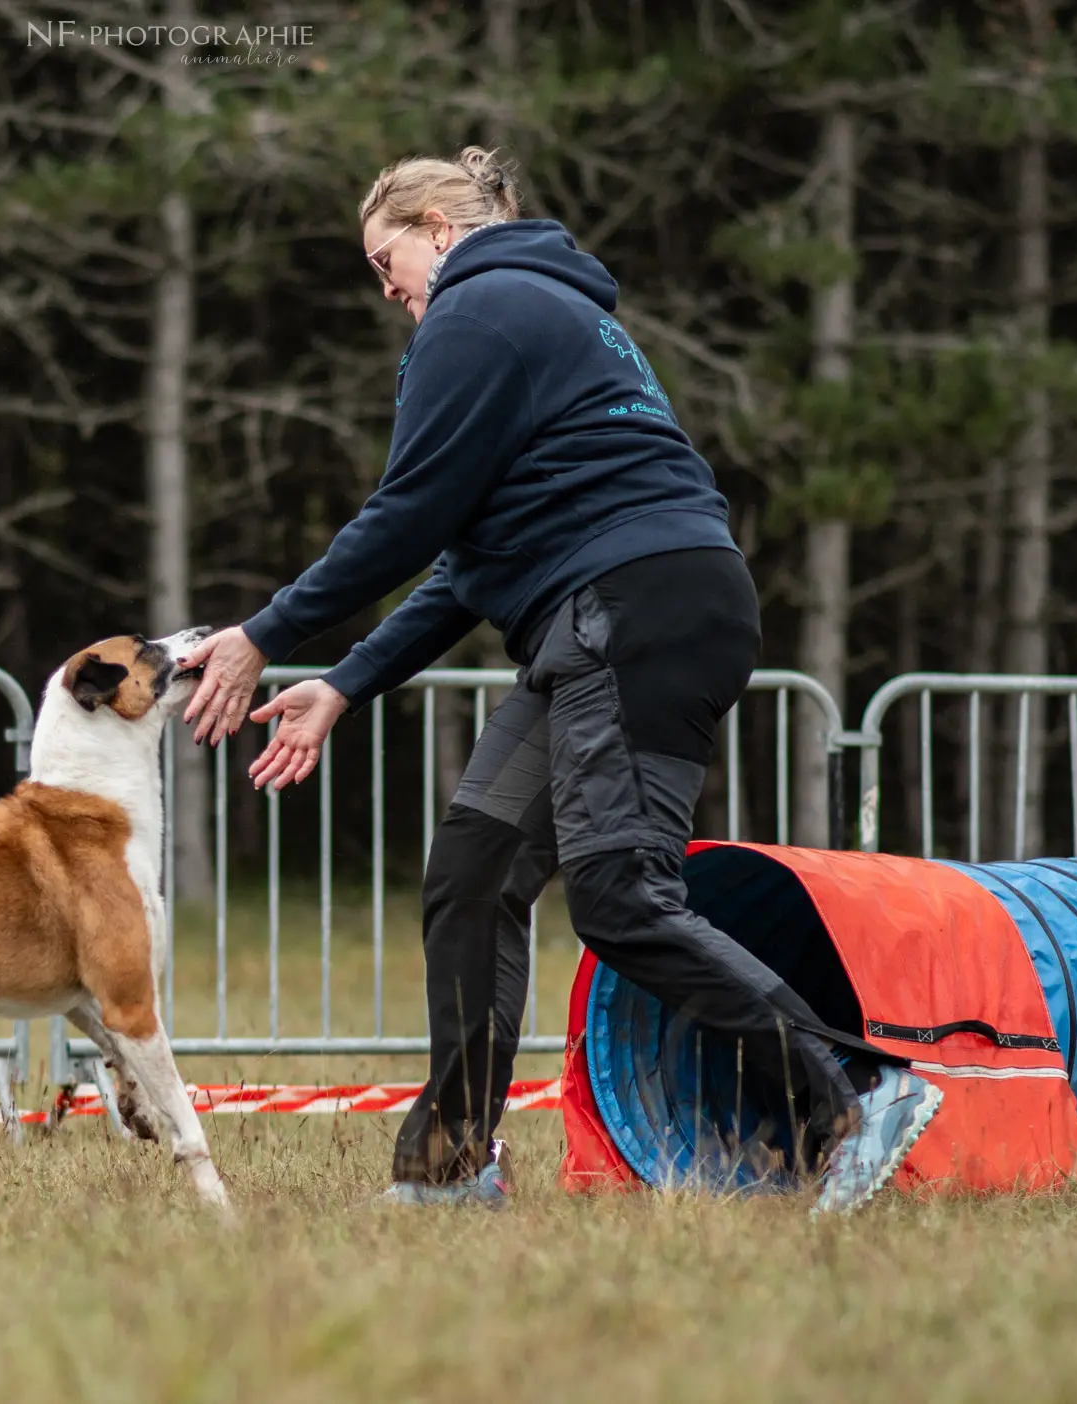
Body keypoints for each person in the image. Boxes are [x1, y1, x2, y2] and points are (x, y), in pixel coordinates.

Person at [175, 146, 941, 1215]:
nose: (384, 286)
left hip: (629, 610)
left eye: (384, 257)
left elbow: (405, 515)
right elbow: (467, 561)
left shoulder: (478, 312)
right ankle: (451, 1170)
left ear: (439, 228)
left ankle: (858, 1092)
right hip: (622, 608)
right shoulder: (542, 313)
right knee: (473, 872)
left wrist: (262, 632)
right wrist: (343, 683)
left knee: (621, 895)